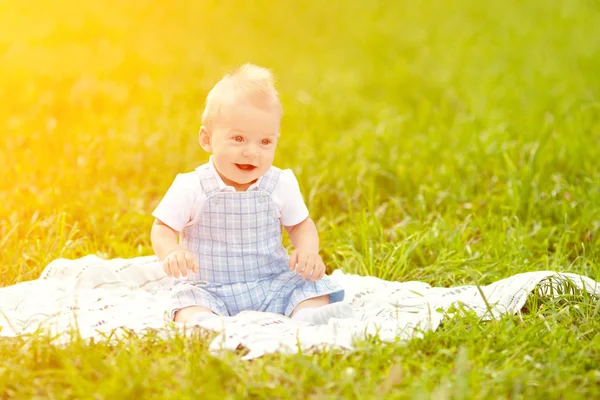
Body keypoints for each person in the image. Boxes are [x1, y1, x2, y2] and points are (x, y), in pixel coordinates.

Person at [150, 64, 352, 326]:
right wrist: (172, 252)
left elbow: (300, 225)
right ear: (207, 139)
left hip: (271, 281)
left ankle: (306, 317)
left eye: (265, 142)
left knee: (310, 287)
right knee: (187, 302)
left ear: (276, 140)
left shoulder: (279, 183)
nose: (252, 152)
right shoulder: (192, 186)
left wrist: (308, 252)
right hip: (209, 286)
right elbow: (163, 227)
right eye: (238, 139)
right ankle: (204, 323)